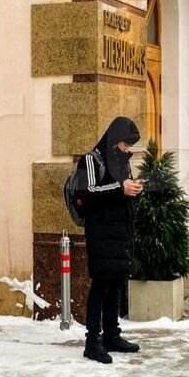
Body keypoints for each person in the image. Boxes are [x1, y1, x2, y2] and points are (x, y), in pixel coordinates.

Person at [79, 117, 144, 364]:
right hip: (101, 233)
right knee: (101, 285)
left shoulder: (123, 162)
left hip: (120, 232)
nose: (127, 149)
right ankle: (92, 342)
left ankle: (111, 335)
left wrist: (135, 189)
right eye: (126, 144)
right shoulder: (91, 160)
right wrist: (120, 189)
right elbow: (88, 192)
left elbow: (121, 191)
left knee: (117, 283)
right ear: (115, 140)